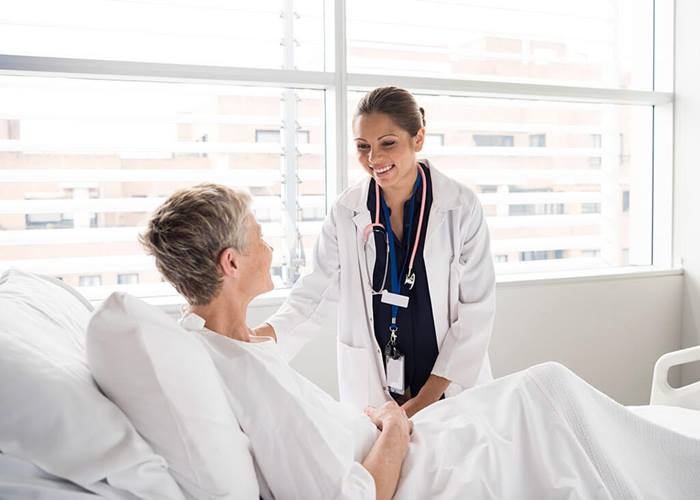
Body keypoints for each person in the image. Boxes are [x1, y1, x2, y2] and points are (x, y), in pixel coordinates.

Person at [140, 184, 700, 500]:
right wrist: (396, 424)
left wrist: (403, 418)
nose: (270, 248)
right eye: (259, 237)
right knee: (550, 398)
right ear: (231, 262)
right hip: (408, 455)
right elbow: (361, 494)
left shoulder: (221, 352)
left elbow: (476, 311)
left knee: (546, 392)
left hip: (405, 434)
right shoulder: (243, 370)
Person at [255, 86, 496, 417]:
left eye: (388, 143)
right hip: (378, 393)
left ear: (418, 138)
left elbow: (476, 314)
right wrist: (256, 338)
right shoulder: (347, 211)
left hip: (445, 390)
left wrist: (418, 406)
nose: (374, 159)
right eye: (363, 147)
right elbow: (314, 293)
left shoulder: (460, 207)